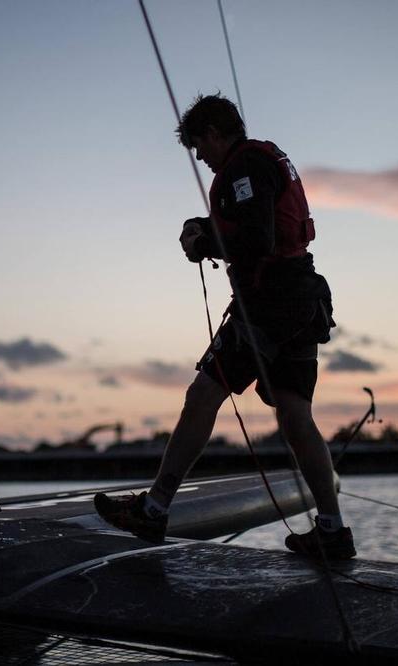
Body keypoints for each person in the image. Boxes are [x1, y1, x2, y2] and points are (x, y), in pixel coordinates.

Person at [94, 93, 355, 559]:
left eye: (199, 147)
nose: (201, 159)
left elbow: (256, 238)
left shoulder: (243, 166)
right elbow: (253, 222)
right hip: (301, 300)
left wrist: (201, 244)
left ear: (214, 132)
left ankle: (152, 511)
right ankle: (333, 530)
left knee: (202, 396)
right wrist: (204, 226)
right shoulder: (259, 164)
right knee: (296, 418)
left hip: (268, 307)